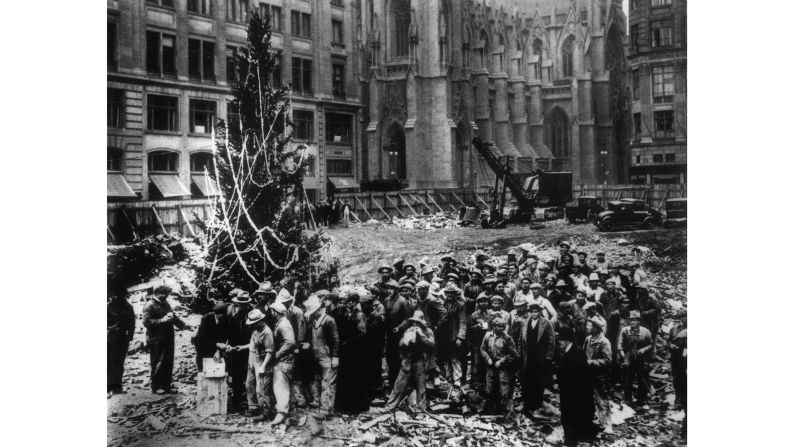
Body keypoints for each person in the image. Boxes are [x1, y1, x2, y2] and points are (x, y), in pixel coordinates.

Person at [383, 311, 436, 412]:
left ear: (422, 322)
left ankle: (421, 408)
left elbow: (432, 344)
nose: (415, 324)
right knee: (399, 385)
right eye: (414, 322)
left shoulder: (428, 331)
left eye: (418, 322)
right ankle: (389, 406)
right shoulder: (408, 330)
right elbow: (401, 345)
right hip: (408, 360)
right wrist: (407, 339)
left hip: (420, 360)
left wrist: (421, 336)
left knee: (421, 387)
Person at [557, 327, 598, 446]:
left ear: (566, 341)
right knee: (571, 414)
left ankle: (571, 440)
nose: (559, 344)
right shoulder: (571, 351)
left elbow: (580, 375)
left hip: (573, 391)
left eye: (560, 341)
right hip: (571, 390)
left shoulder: (577, 353)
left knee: (570, 415)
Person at [142, 285, 187, 394]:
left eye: (167, 294)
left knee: (168, 361)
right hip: (156, 338)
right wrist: (162, 320)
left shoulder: (166, 304)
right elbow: (146, 322)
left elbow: (172, 317)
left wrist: (183, 325)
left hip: (168, 337)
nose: (165, 296)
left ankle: (166, 385)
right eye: (163, 294)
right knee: (158, 362)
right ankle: (156, 386)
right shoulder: (149, 305)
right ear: (157, 293)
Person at [304, 294, 340, 415]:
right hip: (317, 356)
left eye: (314, 312)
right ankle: (320, 402)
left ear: (319, 309)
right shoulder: (314, 322)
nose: (313, 314)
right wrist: (308, 344)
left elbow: (336, 340)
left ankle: (326, 410)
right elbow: (313, 338)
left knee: (328, 383)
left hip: (328, 356)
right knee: (319, 380)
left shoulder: (329, 321)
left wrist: (335, 357)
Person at [335, 291, 369, 413]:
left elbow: (363, 333)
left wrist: (349, 341)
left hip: (356, 351)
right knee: (348, 377)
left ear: (354, 302)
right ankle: (347, 405)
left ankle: (357, 406)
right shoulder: (347, 313)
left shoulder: (360, 315)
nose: (347, 304)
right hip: (348, 350)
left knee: (356, 376)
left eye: (349, 302)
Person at [275, 289, 310, 409]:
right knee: (288, 373)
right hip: (287, 346)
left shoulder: (297, 312)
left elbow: (302, 331)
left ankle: (301, 399)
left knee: (297, 374)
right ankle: (291, 399)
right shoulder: (284, 313)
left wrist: (297, 348)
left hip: (296, 347)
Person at [520, 303, 556, 416]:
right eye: (532, 311)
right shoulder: (525, 322)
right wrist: (520, 354)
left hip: (540, 357)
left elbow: (551, 341)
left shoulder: (546, 323)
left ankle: (537, 403)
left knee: (539, 380)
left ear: (539, 312)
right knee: (526, 379)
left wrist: (548, 357)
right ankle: (526, 403)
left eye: (536, 311)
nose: (534, 314)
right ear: (529, 312)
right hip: (528, 356)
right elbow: (520, 340)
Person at [480, 317, 518, 417]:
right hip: (490, 364)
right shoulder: (488, 336)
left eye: (503, 326)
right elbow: (482, 349)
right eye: (499, 326)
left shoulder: (507, 338)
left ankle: (505, 411)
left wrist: (502, 361)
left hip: (503, 366)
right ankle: (490, 409)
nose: (501, 328)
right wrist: (487, 358)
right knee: (490, 387)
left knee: (504, 388)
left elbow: (514, 354)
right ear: (493, 326)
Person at [617, 311, 654, 405]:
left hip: (641, 358)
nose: (632, 322)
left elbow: (651, 344)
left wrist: (644, 350)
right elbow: (620, 345)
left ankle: (641, 400)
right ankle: (627, 399)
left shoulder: (645, 331)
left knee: (643, 379)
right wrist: (624, 357)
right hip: (629, 358)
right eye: (631, 320)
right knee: (627, 379)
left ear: (639, 321)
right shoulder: (625, 330)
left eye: (634, 320)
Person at [245, 309, 275, 422]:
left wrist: (263, 366)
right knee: (249, 384)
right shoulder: (255, 330)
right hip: (252, 360)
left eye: (255, 323)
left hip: (263, 362)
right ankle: (253, 407)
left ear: (260, 321)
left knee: (261, 390)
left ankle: (265, 412)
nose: (253, 325)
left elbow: (270, 351)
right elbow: (252, 344)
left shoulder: (267, 332)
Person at [584, 317, 613, 433]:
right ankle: (589, 421)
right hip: (588, 374)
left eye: (589, 325)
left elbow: (607, 361)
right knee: (587, 398)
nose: (587, 327)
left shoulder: (604, 342)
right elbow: (583, 353)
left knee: (602, 399)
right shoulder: (588, 339)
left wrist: (590, 362)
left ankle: (606, 424)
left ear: (596, 328)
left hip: (600, 376)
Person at [227, 291, 254, 411]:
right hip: (235, 348)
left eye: (244, 304)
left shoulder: (253, 312)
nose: (241, 306)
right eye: (239, 304)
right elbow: (228, 329)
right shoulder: (232, 312)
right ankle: (237, 400)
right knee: (236, 374)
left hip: (250, 347)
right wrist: (228, 345)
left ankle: (250, 401)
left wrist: (248, 345)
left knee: (249, 374)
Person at [270, 302, 296, 425]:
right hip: (283, 360)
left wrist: (278, 354)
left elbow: (290, 342)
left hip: (284, 360)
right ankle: (281, 408)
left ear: (276, 312)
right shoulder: (280, 323)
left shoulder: (284, 325)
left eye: (273, 311)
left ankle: (281, 412)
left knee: (281, 386)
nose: (271, 313)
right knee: (280, 385)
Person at [108, 287, 136, 396]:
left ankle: (117, 388)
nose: (118, 296)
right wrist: (111, 328)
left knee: (119, 363)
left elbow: (132, 323)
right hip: (111, 338)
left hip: (122, 339)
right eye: (116, 294)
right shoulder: (109, 307)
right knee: (109, 363)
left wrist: (130, 336)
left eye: (121, 294)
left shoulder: (128, 307)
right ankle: (109, 388)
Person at [385, 280, 413, 387]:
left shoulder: (403, 302)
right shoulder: (387, 300)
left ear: (396, 290)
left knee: (399, 357)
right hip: (389, 334)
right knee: (389, 357)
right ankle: (391, 379)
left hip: (400, 334)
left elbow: (407, 318)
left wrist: (399, 327)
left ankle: (400, 381)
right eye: (388, 288)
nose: (389, 291)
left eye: (392, 289)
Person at [437, 285, 467, 385]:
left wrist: (460, 337)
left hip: (454, 334)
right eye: (448, 293)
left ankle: (457, 378)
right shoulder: (442, 304)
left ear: (455, 294)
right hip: (443, 334)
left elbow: (463, 322)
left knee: (455, 357)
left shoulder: (460, 305)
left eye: (452, 293)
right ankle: (448, 377)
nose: (449, 295)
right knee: (445, 357)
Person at [193, 303, 231, 372]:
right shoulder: (206, 318)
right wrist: (217, 344)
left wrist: (218, 350)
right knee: (203, 362)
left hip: (215, 342)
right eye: (217, 314)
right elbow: (203, 336)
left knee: (216, 362)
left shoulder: (225, 320)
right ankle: (201, 371)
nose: (219, 316)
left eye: (221, 315)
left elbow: (223, 336)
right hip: (202, 343)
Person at [467, 293, 493, 391]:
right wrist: (476, 327)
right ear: (478, 303)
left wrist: (489, 328)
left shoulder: (491, 314)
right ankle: (475, 384)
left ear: (488, 303)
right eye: (481, 301)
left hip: (488, 343)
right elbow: (469, 328)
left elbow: (495, 326)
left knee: (486, 362)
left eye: (485, 301)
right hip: (477, 343)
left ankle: (486, 383)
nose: (483, 303)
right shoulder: (474, 315)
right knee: (476, 363)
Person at [668, 310, 687, 410]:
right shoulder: (673, 329)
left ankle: (684, 401)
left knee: (684, 379)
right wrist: (671, 345)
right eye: (682, 317)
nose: (684, 319)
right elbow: (669, 341)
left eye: (686, 317)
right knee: (676, 378)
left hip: (685, 359)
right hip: (675, 358)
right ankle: (678, 398)